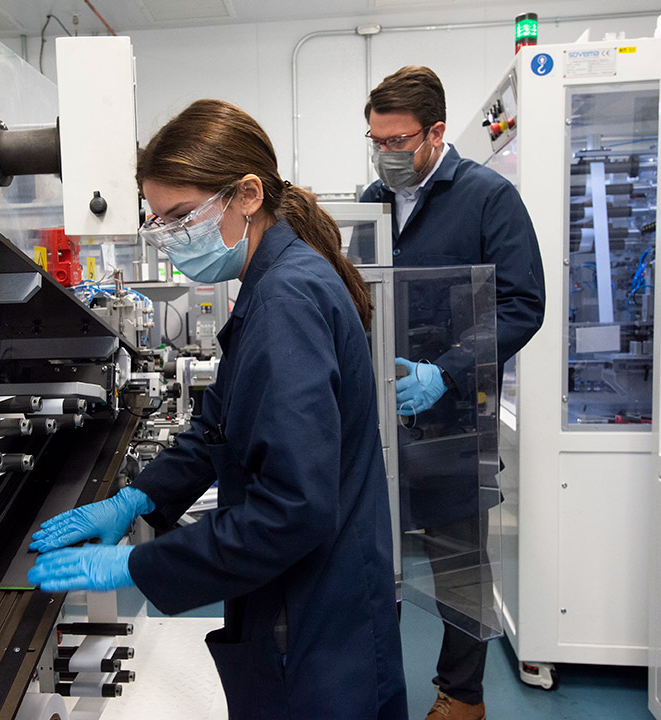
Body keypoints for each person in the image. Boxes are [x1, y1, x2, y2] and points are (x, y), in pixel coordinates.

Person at [29, 98, 408, 719]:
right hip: (304, 595)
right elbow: (218, 426)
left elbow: (294, 510)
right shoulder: (269, 283)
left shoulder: (286, 301)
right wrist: (139, 498)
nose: (172, 238)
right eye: (161, 222)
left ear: (247, 195)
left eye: (181, 217)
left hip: (311, 614)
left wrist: (141, 563)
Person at [360, 66, 545, 720]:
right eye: (376, 140)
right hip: (380, 418)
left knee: (459, 568)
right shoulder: (370, 200)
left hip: (454, 420)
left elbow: (523, 304)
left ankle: (461, 698)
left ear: (436, 132)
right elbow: (357, 298)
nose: (386, 155)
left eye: (399, 141)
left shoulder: (487, 198)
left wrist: (445, 369)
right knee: (368, 559)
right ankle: (369, 685)